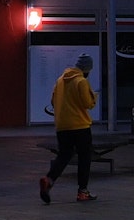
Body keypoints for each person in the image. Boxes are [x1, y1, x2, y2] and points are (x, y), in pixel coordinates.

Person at [42, 53, 98, 204]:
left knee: (64, 155)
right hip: (80, 125)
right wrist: (94, 96)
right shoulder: (81, 82)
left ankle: (49, 179)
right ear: (87, 69)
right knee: (85, 157)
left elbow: (53, 101)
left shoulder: (60, 80)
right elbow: (88, 104)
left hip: (62, 126)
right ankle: (83, 192)